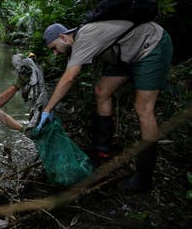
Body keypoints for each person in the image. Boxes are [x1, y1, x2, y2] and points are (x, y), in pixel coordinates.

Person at [37, 21, 173, 191]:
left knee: (143, 108)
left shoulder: (83, 38)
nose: (55, 53)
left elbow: (69, 78)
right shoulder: (77, 42)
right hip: (127, 56)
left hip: (151, 46)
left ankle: (144, 178)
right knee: (102, 90)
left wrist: (47, 110)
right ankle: (103, 150)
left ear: (63, 38)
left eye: (54, 48)